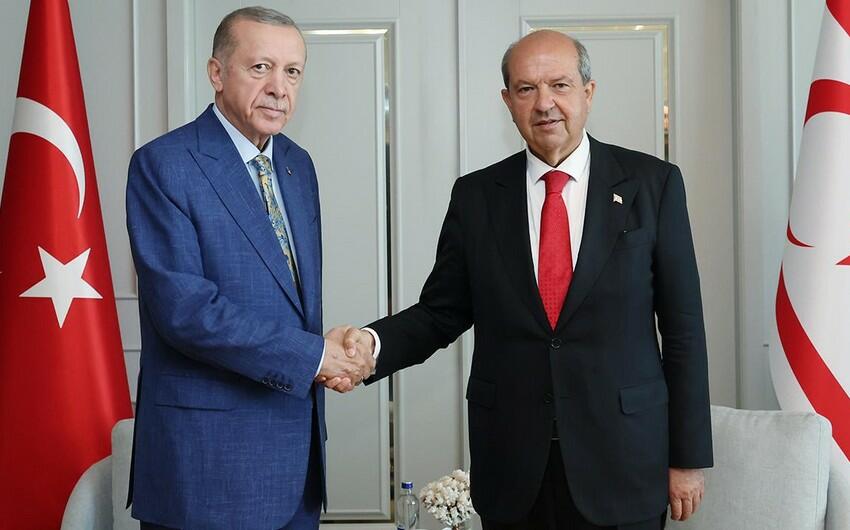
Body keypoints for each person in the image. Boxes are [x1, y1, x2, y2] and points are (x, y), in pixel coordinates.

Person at [335, 30, 712, 529]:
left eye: (560, 85)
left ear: (588, 92)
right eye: (526, 89)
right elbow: (440, 312)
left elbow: (684, 331)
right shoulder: (476, 197)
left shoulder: (652, 184)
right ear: (507, 101)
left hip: (624, 461)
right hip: (513, 465)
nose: (544, 103)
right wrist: (370, 346)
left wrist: (687, 457)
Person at [125, 7, 373, 530]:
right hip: (206, 471)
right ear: (217, 73)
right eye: (261, 67)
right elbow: (186, 312)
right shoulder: (164, 164)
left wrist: (326, 349)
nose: (279, 88)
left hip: (297, 465)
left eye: (292, 71)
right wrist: (313, 356)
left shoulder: (298, 164)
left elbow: (288, 297)